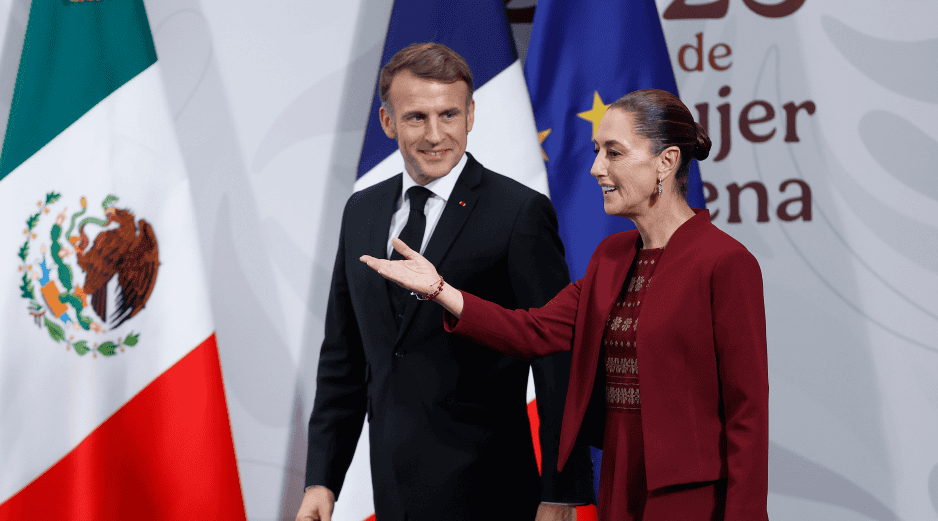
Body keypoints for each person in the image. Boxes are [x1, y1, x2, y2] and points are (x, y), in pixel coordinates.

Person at [363, 89, 769, 521]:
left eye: (614, 153)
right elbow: (532, 332)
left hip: (690, 496)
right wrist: (440, 289)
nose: (597, 168)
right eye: (597, 151)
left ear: (666, 161)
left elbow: (748, 413)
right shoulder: (610, 257)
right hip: (618, 481)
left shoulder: (725, 262)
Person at [297, 43, 593, 521]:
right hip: (393, 494)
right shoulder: (362, 211)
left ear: (471, 115)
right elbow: (344, 359)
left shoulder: (518, 213)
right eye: (416, 117)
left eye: (449, 115)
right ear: (388, 122)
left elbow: (558, 357)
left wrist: (560, 491)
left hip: (495, 495)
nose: (435, 135)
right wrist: (322, 478)